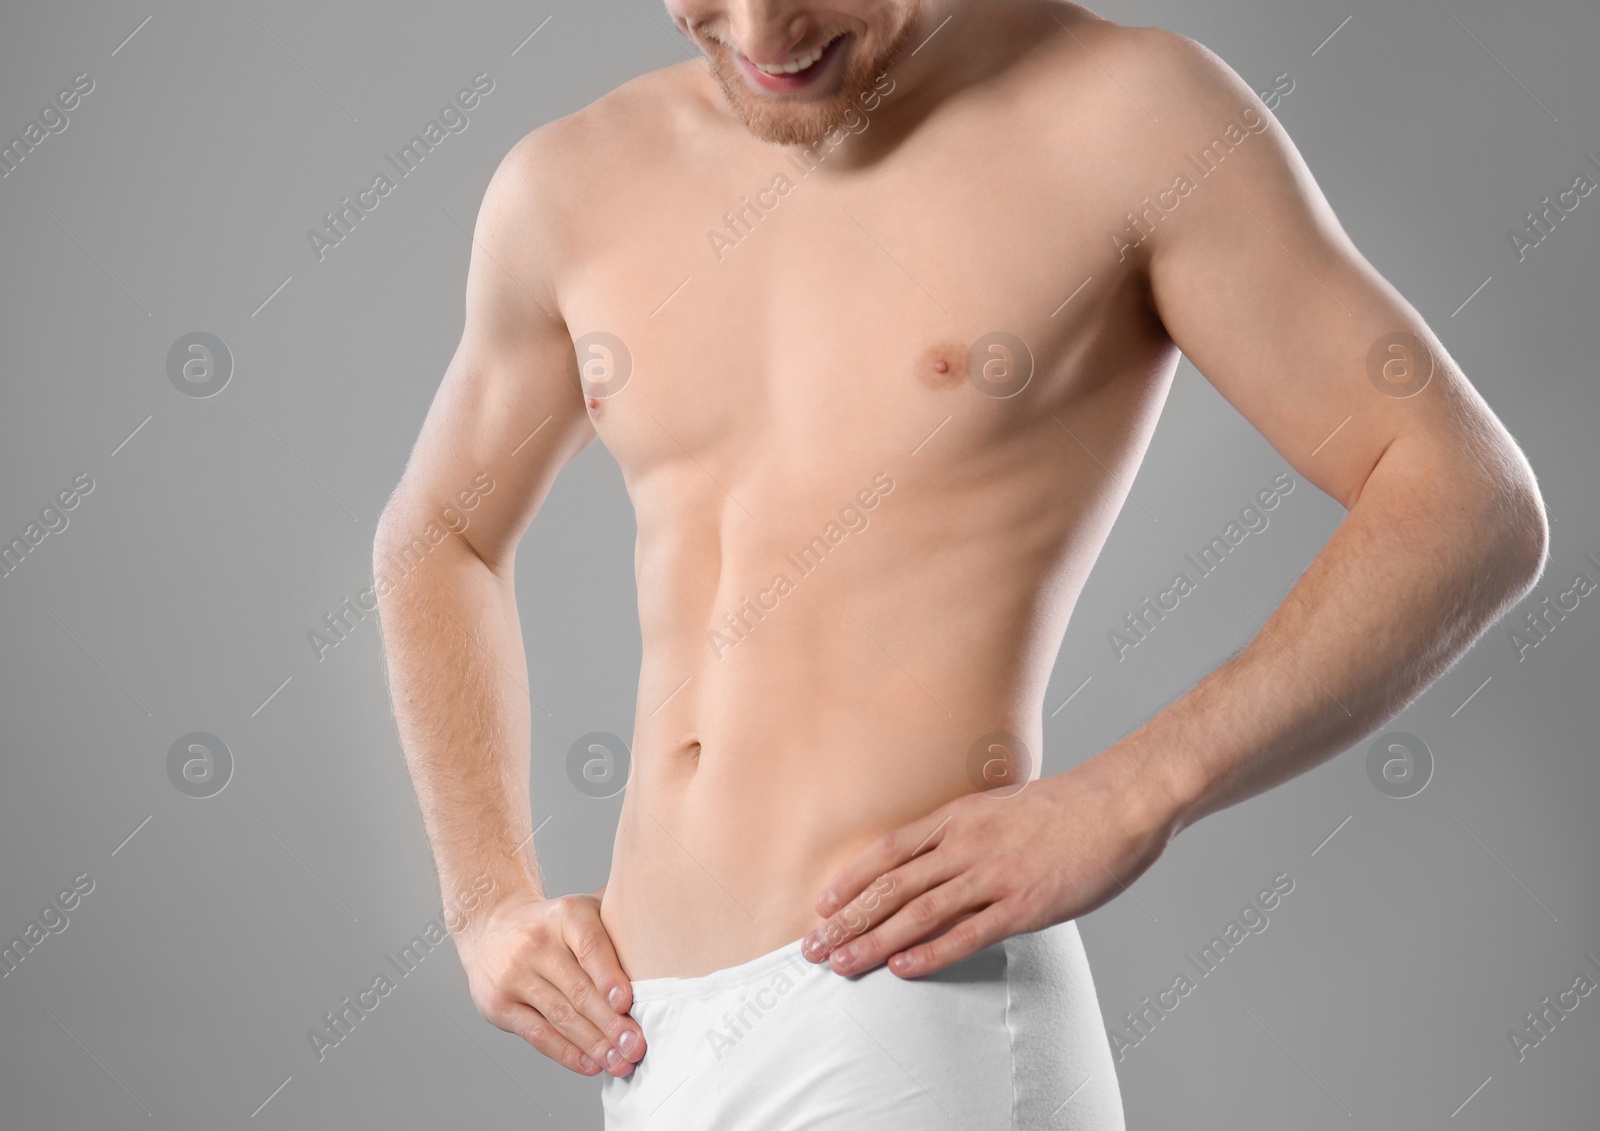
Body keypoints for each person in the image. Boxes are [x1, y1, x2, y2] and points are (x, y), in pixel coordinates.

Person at [372, 0, 1548, 1126]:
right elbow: (438, 538)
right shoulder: (569, 184)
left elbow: (1466, 500)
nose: (762, 29)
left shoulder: (1127, 118)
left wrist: (1140, 791)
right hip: (650, 1035)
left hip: (907, 1012)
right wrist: (486, 905)